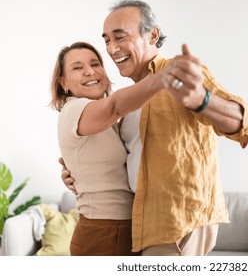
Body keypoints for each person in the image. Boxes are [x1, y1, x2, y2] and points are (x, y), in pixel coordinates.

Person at [61, 0, 248, 256]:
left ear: (152, 34)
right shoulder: (131, 98)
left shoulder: (180, 74)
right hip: (146, 223)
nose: (112, 49)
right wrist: (80, 172)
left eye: (120, 37)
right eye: (107, 40)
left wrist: (203, 101)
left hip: (178, 221)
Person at [50, 41, 180, 255]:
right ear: (63, 82)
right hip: (104, 231)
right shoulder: (74, 109)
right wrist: (163, 76)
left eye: (95, 64)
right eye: (77, 67)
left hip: (125, 227)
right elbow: (116, 105)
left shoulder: (110, 121)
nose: (90, 71)